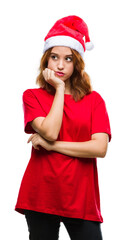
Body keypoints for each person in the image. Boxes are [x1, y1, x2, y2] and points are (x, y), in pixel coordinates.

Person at [15, 15, 111, 240]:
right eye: (54, 57)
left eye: (68, 58)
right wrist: (59, 89)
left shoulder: (93, 100)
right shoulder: (32, 96)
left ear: (76, 62)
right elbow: (49, 131)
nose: (60, 65)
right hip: (41, 194)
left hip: (81, 197)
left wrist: (52, 146)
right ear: (46, 61)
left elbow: (99, 148)